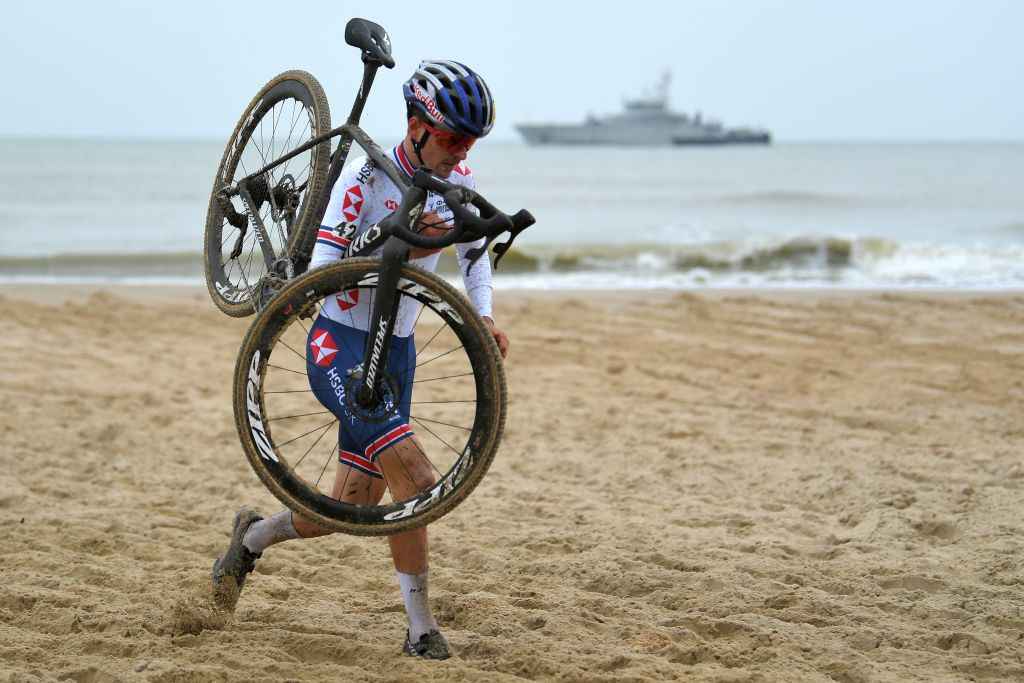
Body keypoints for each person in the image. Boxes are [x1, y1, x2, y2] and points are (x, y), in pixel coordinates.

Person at [211, 60, 508, 661]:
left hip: (396, 353)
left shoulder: (456, 181)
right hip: (339, 345)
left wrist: (483, 315)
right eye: (452, 139)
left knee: (349, 507)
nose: (461, 153)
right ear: (417, 127)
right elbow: (321, 274)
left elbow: (476, 251)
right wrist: (396, 238)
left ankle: (252, 539)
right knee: (419, 480)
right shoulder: (363, 182)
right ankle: (421, 631)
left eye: (470, 143)